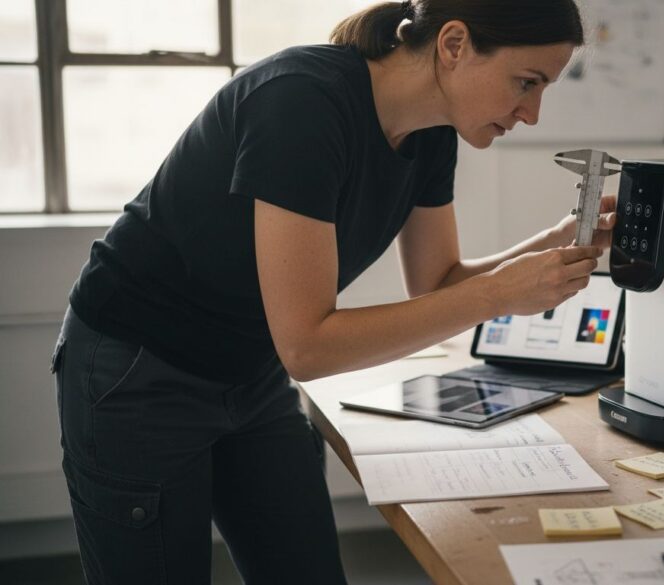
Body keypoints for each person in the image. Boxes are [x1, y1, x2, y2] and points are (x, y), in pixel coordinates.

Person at [50, 0, 616, 583]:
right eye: (527, 82)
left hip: (249, 367)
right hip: (139, 366)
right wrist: (498, 295)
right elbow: (309, 348)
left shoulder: (431, 134)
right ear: (453, 45)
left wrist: (552, 245)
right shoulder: (301, 101)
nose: (533, 114)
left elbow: (439, 282)